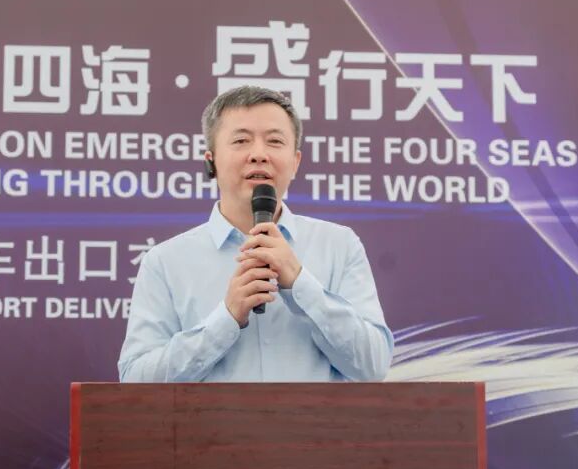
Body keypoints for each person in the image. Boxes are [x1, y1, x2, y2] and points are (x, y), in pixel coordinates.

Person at [117, 86, 393, 382]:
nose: (259, 155)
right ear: (211, 161)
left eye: (275, 141)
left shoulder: (339, 246)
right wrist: (226, 320)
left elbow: (373, 366)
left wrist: (300, 284)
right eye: (241, 140)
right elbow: (136, 380)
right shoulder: (166, 262)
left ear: (295, 162)